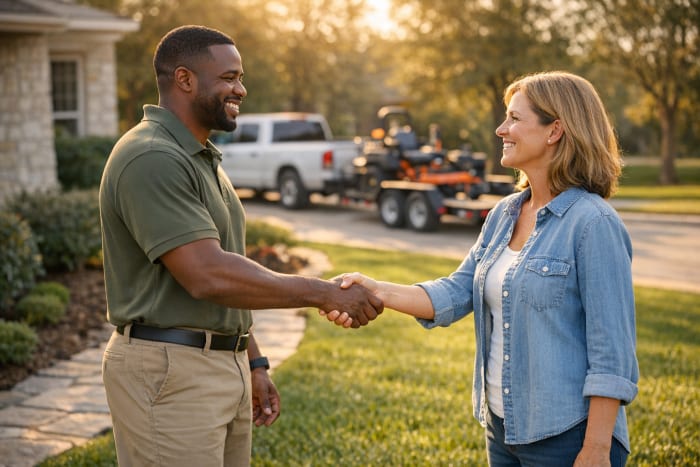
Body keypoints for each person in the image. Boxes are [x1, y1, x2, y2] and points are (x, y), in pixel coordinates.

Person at [99, 25, 382, 467]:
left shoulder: (200, 155)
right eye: (229, 77)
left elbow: (229, 269)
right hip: (169, 371)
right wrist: (322, 292)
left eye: (240, 77)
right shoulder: (152, 156)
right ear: (185, 79)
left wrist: (251, 360)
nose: (241, 89)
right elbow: (207, 274)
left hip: (217, 364)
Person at [324, 71, 639, 466]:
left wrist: (595, 449)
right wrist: (376, 289)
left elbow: (612, 354)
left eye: (514, 119)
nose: (500, 128)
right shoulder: (505, 213)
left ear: (555, 130)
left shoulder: (593, 224)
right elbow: (456, 291)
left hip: (568, 436)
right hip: (502, 431)